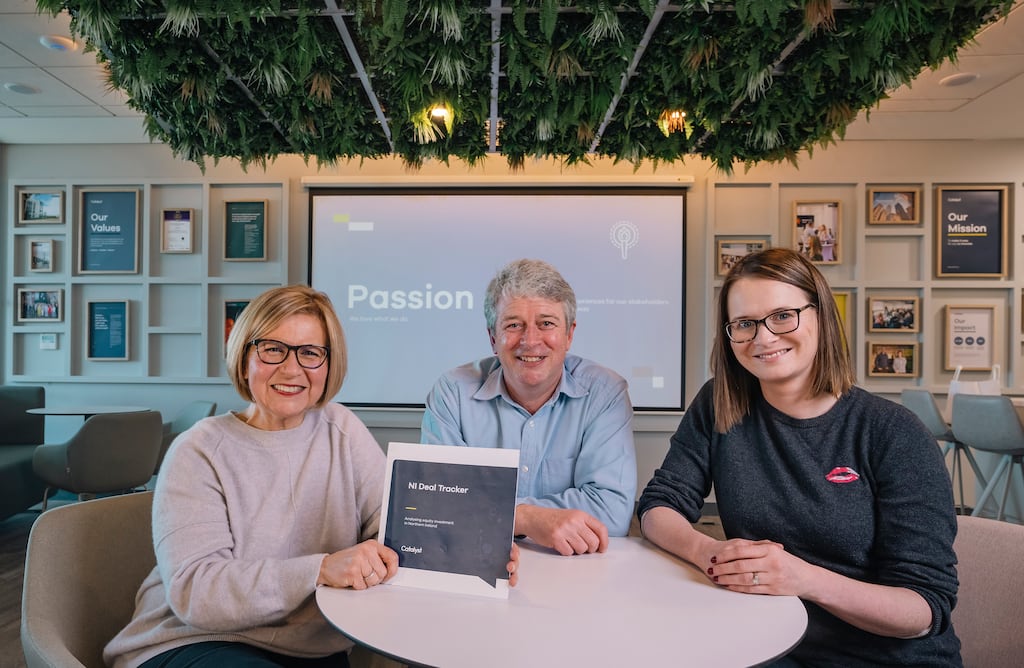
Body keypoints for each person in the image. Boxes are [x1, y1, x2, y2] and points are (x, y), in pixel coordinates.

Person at [105, 285, 519, 668]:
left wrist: (473, 550)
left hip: (316, 643)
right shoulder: (199, 451)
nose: (291, 369)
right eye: (272, 349)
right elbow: (196, 593)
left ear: (327, 364)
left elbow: (393, 527)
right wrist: (319, 570)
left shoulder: (341, 429)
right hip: (196, 640)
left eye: (309, 353)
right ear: (245, 356)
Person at [638, 248, 960, 666]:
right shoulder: (718, 404)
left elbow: (923, 610)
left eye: (783, 316)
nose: (764, 337)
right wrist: (709, 555)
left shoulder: (894, 433)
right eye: (745, 323)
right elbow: (658, 506)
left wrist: (802, 578)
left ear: (820, 315)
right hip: (762, 645)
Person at [421, 259, 637, 556]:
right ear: (493, 338)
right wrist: (527, 518)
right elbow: (437, 506)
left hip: (576, 572)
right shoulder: (452, 394)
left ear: (569, 334)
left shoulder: (605, 394)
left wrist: (491, 512)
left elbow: (611, 514)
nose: (530, 340)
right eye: (513, 325)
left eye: (546, 324)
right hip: (475, 563)